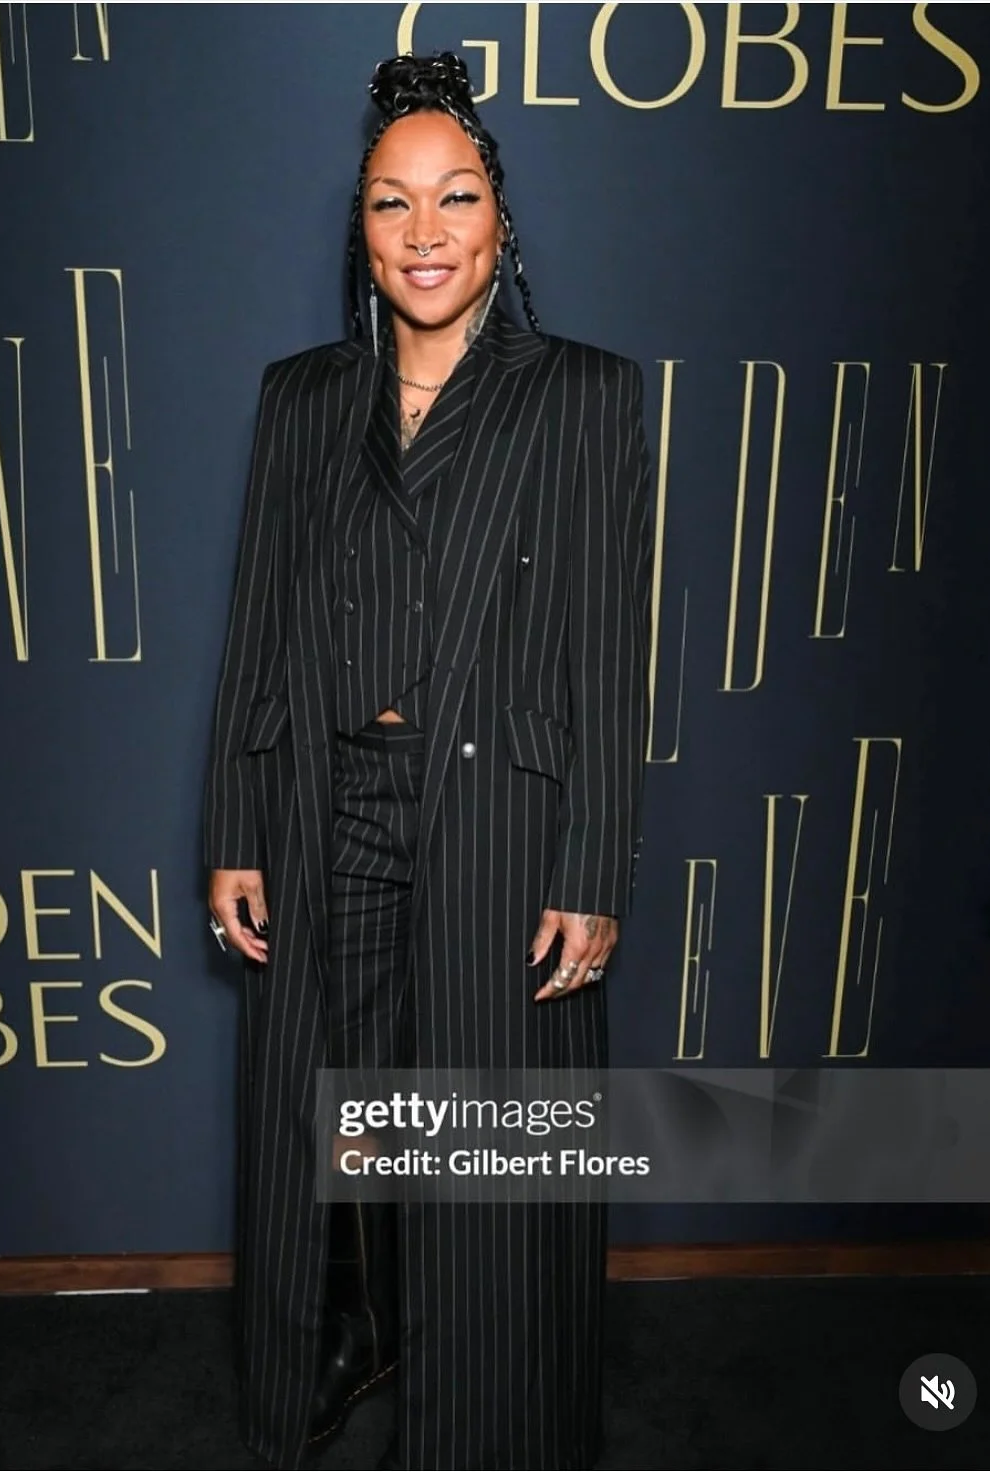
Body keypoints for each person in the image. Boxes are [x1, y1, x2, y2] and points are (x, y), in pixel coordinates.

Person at [204, 51, 654, 1472]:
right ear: (360, 226)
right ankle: (340, 1342)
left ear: (500, 221)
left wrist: (592, 862)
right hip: (323, 802)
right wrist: (233, 824)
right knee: (318, 1120)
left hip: (502, 815)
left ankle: (493, 1430)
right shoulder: (300, 397)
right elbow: (260, 623)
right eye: (391, 201)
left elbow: (609, 647)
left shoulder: (584, 394)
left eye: (454, 196)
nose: (423, 230)